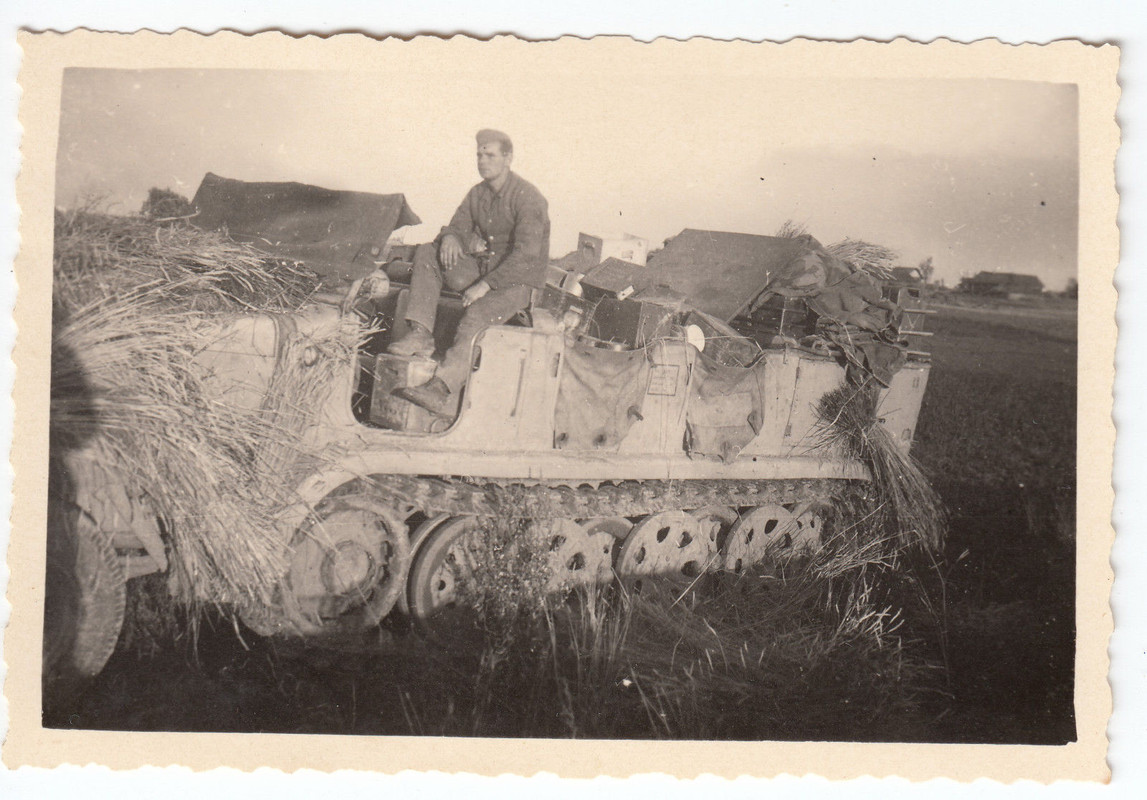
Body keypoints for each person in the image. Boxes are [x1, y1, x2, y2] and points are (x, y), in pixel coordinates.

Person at [390, 129, 550, 417]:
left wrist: (485, 286)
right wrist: (451, 237)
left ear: (508, 158)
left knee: (474, 316)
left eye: (490, 155)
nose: (482, 160)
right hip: (485, 271)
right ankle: (420, 333)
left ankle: (441, 390)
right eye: (479, 154)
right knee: (429, 251)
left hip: (517, 283)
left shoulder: (529, 198)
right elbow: (457, 225)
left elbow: (527, 255)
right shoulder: (478, 194)